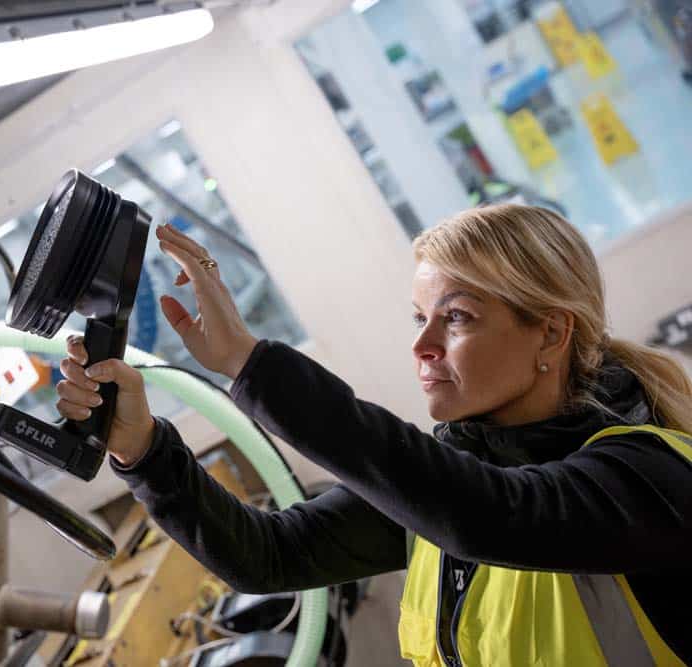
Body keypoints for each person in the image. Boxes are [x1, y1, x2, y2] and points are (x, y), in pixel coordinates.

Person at [54, 204, 692, 666]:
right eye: (419, 318)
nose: (423, 344)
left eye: (457, 318)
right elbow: (268, 554)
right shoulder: (454, 479)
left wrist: (251, 364)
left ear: (551, 333)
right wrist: (141, 449)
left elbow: (492, 516)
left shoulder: (651, 478)